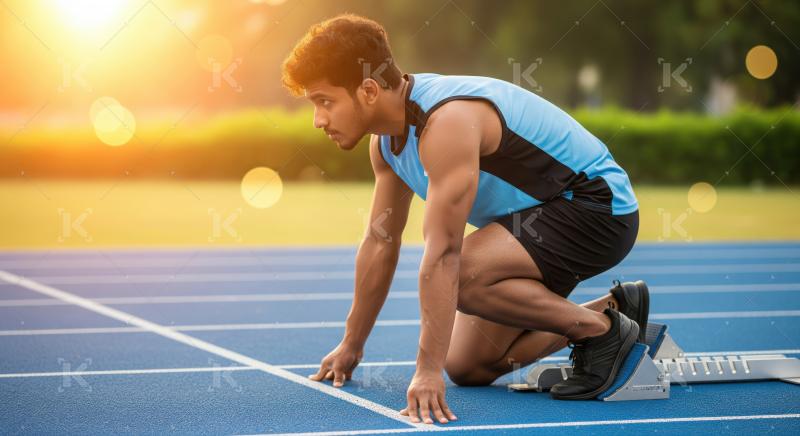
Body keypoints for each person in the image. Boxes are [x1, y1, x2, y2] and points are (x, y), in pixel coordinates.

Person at [281, 14, 649, 425]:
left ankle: (600, 333)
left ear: (368, 90)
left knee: (462, 276)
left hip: (597, 209)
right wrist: (352, 343)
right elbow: (380, 242)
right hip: (540, 222)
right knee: (468, 366)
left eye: (325, 102)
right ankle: (616, 309)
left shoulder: (446, 122)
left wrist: (426, 371)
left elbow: (444, 254)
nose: (318, 120)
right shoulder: (385, 145)